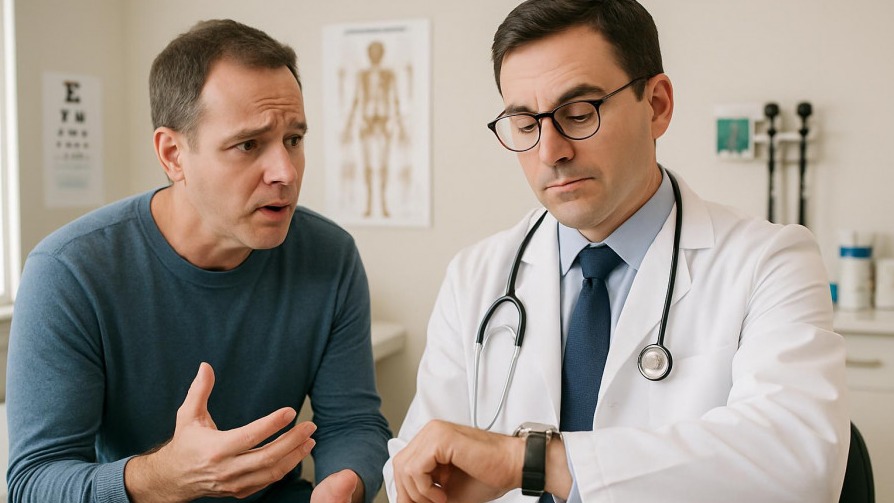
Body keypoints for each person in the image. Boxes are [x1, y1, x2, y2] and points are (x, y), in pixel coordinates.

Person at [385, 1, 849, 502]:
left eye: (579, 114)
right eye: (524, 124)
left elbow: (800, 463)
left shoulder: (769, 262)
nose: (550, 152)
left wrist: (531, 462)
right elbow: (414, 461)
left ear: (657, 106)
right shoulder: (475, 276)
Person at [6, 19, 390, 503]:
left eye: (294, 139)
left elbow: (353, 423)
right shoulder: (69, 272)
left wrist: (344, 485)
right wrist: (165, 476)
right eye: (248, 144)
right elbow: (32, 483)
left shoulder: (330, 256)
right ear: (173, 155)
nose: (286, 172)